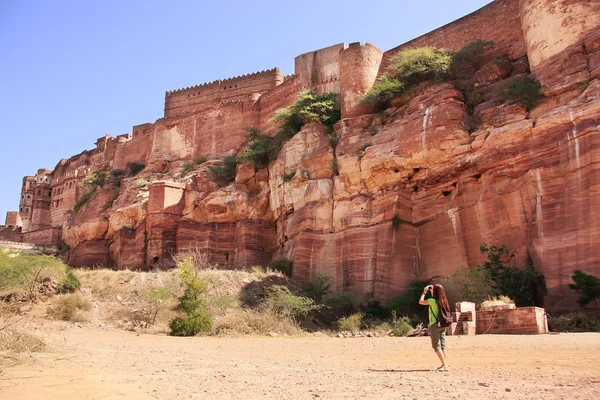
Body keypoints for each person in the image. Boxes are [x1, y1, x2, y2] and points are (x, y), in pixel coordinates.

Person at [419, 283, 450, 371]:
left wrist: (424, 292)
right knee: (443, 345)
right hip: (442, 324)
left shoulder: (432, 301)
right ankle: (445, 363)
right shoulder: (444, 301)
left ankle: (444, 365)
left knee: (436, 345)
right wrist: (433, 290)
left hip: (435, 325)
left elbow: (421, 301)